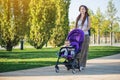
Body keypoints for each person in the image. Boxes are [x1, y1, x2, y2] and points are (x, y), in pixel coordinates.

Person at [75, 5, 91, 70]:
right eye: (81, 9)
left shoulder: (88, 17)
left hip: (85, 35)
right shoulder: (78, 17)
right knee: (78, 50)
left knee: (84, 51)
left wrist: (83, 30)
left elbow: (89, 26)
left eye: (83, 9)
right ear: (79, 10)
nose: (82, 10)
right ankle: (77, 63)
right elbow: (75, 26)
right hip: (78, 36)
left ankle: (82, 65)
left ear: (86, 10)